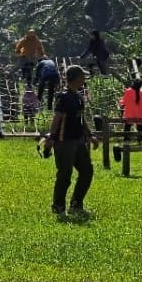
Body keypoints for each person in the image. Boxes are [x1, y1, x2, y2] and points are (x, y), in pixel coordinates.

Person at [42, 65, 98, 216]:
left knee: (87, 171)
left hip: (79, 141)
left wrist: (90, 135)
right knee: (64, 176)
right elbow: (57, 118)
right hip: (64, 141)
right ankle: (58, 207)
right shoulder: (63, 97)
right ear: (77, 78)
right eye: (83, 77)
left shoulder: (79, 97)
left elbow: (81, 119)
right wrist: (51, 138)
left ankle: (76, 205)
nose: (84, 79)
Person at [118, 77, 142, 146]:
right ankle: (140, 141)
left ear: (133, 83)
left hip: (130, 114)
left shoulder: (128, 91)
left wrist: (119, 102)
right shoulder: (141, 92)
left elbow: (123, 102)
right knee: (140, 127)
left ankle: (126, 141)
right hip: (139, 115)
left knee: (127, 127)